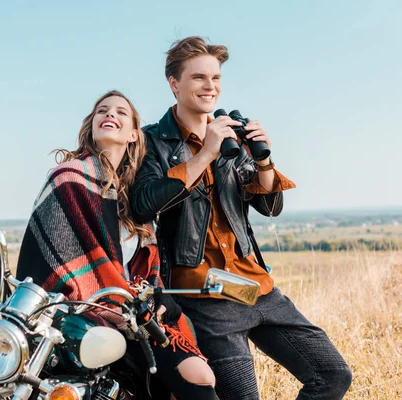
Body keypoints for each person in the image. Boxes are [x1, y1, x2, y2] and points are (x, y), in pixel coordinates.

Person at [130, 36, 353, 400]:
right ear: (174, 83)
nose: (210, 86)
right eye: (199, 77)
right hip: (205, 296)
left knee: (332, 375)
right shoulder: (153, 142)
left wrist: (263, 159)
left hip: (257, 287)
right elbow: (143, 204)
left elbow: (269, 206)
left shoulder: (230, 136)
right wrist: (204, 154)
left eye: (216, 78)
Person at [15, 90, 217, 399]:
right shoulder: (68, 179)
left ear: (134, 134)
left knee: (200, 375)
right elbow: (49, 262)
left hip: (135, 312)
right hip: (79, 313)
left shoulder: (135, 195)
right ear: (92, 126)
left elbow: (145, 269)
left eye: (121, 112)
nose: (110, 115)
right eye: (102, 111)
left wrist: (155, 295)